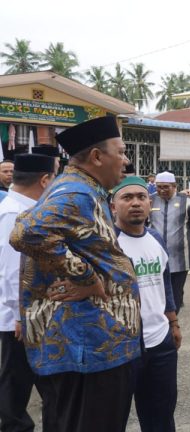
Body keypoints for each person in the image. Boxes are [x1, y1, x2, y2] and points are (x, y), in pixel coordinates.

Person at [10, 116, 141, 431]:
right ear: (97, 157)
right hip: (88, 348)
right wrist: (85, 276)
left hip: (93, 345)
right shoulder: (76, 191)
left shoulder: (82, 188)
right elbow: (25, 234)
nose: (126, 161)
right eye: (121, 152)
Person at [112, 176, 181, 432]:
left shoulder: (155, 238)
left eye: (141, 197)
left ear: (149, 203)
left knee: (161, 415)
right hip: (122, 346)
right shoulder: (107, 244)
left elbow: (165, 285)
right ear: (113, 206)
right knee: (113, 416)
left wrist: (173, 322)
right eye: (127, 198)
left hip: (160, 342)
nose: (135, 203)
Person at [0, 154, 55, 432]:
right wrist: (21, 315)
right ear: (45, 180)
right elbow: (12, 271)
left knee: (18, 382)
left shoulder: (16, 207)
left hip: (22, 314)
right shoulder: (16, 213)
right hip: (21, 318)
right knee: (17, 386)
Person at [149, 171, 190, 312]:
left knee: (176, 293)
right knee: (156, 293)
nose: (162, 190)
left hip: (180, 258)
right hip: (154, 258)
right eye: (159, 186)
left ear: (174, 186)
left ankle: (173, 323)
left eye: (165, 187)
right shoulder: (149, 200)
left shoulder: (187, 202)